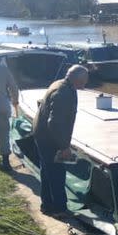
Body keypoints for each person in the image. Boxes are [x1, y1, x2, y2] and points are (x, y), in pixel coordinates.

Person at [32, 65, 89, 215]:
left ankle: (47, 205)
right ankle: (59, 209)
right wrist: (64, 147)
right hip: (49, 138)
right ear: (78, 79)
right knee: (56, 173)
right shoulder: (63, 93)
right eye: (84, 80)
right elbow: (55, 123)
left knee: (47, 171)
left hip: (43, 134)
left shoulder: (60, 84)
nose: (85, 84)